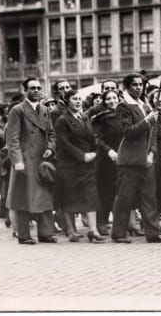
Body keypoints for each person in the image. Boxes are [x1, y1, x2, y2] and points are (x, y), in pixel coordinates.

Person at [110, 73, 161, 244]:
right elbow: (128, 132)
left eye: (141, 84)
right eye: (135, 85)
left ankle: (153, 233)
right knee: (124, 197)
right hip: (129, 160)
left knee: (149, 197)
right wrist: (147, 119)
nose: (138, 87)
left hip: (146, 159)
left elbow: (154, 133)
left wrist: (151, 153)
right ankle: (119, 233)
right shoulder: (123, 106)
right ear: (127, 87)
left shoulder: (145, 105)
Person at [5, 77, 57, 245]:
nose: (36, 90)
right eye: (32, 88)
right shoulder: (17, 110)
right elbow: (12, 138)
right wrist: (17, 160)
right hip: (26, 161)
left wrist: (50, 147)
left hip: (42, 161)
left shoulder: (44, 110)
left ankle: (45, 233)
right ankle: (24, 234)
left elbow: (52, 133)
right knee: (24, 198)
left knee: (44, 197)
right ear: (25, 90)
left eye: (38, 87)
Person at [54, 89, 105, 243]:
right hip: (69, 164)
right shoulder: (62, 120)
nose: (77, 102)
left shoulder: (84, 118)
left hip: (87, 164)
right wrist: (82, 155)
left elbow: (92, 138)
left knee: (91, 195)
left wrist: (95, 151)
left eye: (79, 99)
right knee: (69, 196)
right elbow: (64, 143)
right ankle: (70, 230)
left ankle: (93, 230)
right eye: (74, 99)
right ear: (67, 102)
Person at [91, 90, 122, 235]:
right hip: (106, 159)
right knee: (106, 192)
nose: (112, 101)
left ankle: (121, 223)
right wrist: (109, 151)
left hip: (124, 157)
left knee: (120, 191)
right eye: (108, 99)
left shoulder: (124, 116)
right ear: (104, 102)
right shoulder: (101, 118)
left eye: (114, 98)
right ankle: (101, 222)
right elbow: (97, 138)